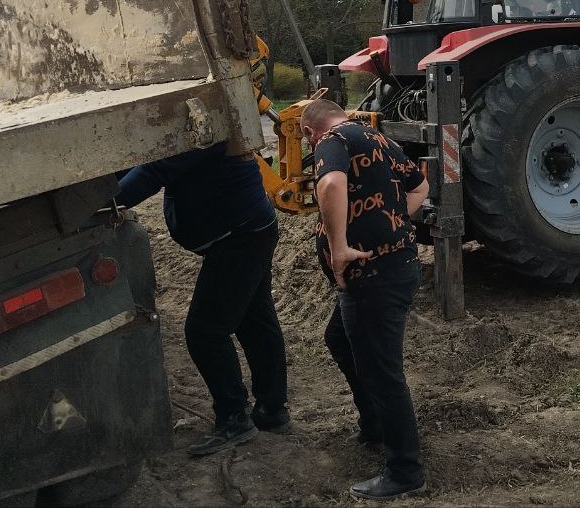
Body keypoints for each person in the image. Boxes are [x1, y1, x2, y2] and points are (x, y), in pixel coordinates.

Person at [115, 140, 288, 457]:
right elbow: (144, 158)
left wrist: (105, 204)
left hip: (240, 237)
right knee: (254, 321)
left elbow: (154, 170)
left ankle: (234, 418)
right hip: (248, 230)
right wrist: (106, 182)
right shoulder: (194, 124)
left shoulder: (204, 130)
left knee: (205, 331)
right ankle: (272, 410)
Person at [299, 99, 430, 501]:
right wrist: (393, 224)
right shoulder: (379, 138)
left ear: (308, 130)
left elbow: (332, 184)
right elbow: (422, 187)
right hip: (391, 271)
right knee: (339, 340)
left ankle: (405, 470)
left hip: (374, 277)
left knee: (382, 372)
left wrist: (339, 246)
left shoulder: (330, 140)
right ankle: (374, 423)